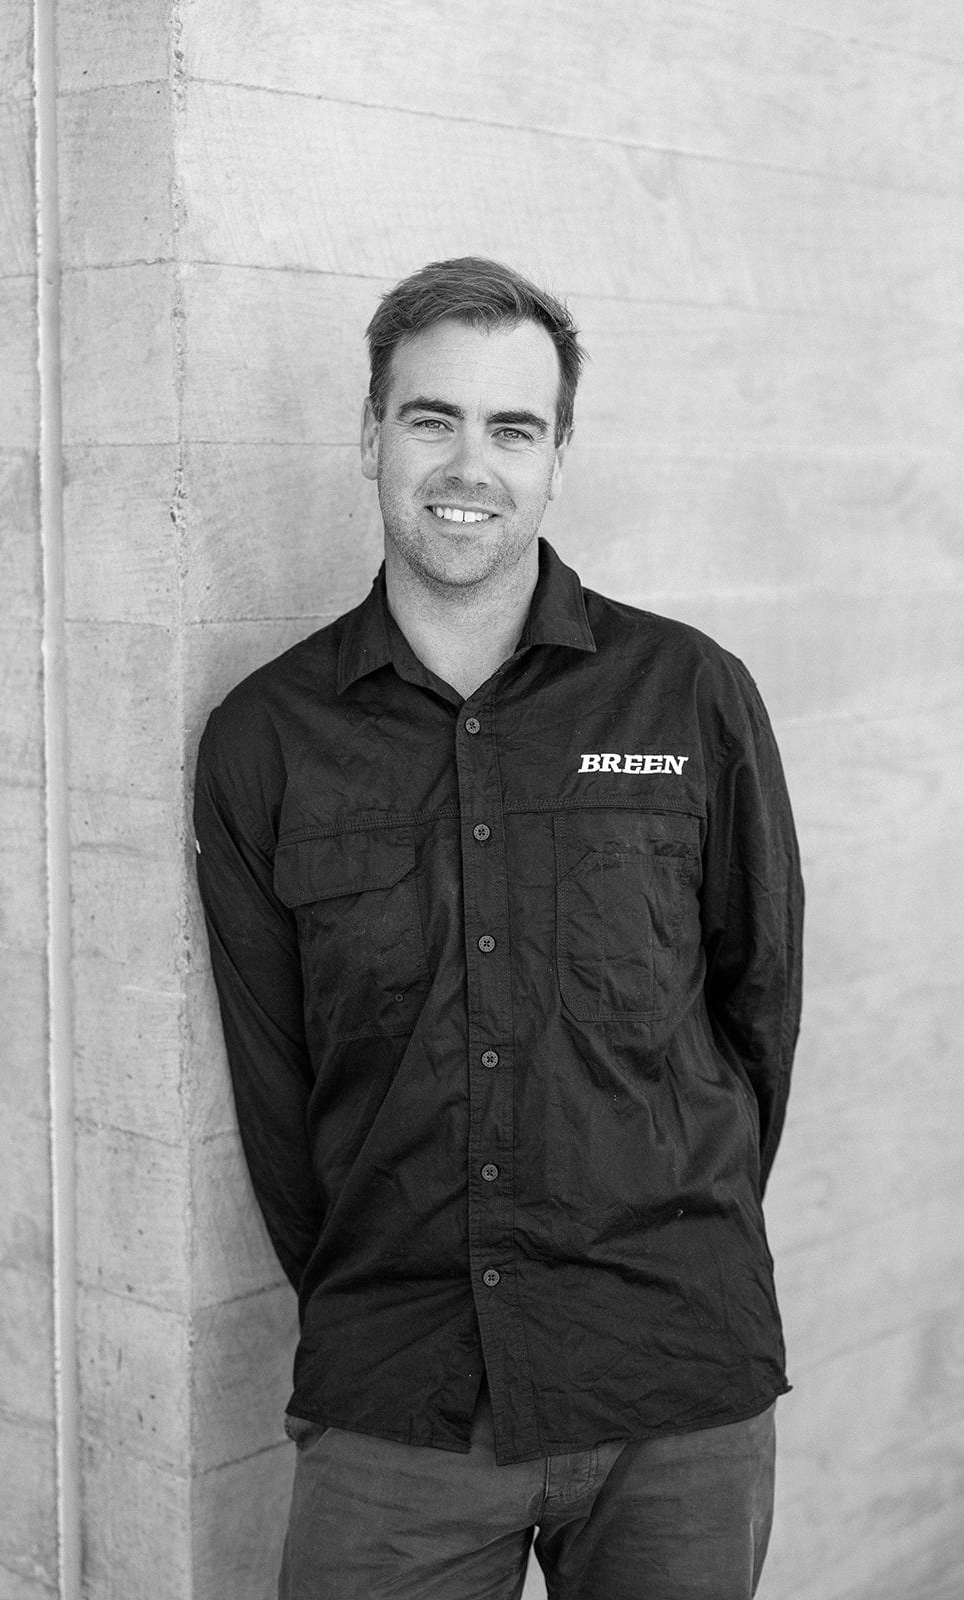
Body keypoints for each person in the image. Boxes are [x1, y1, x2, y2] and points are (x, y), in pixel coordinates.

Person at [193, 257, 803, 1600]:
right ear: (371, 436)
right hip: (399, 1393)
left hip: (673, 1383)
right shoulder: (264, 741)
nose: (470, 465)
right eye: (433, 418)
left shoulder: (690, 695)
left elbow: (757, 1012)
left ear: (557, 458)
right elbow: (280, 1097)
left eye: (512, 428)